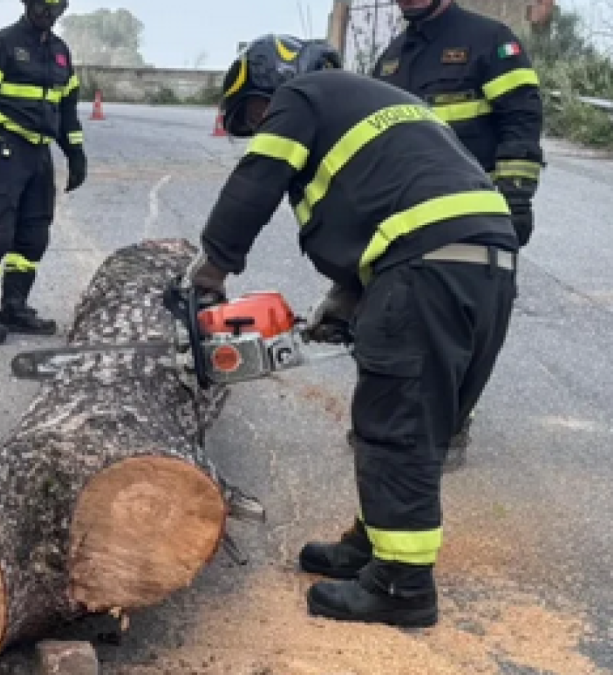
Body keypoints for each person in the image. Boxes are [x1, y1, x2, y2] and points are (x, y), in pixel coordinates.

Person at [189, 34, 519, 627]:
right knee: (423, 420)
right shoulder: (388, 106)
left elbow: (257, 178)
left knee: (395, 426)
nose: (262, 125)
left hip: (425, 267)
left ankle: (402, 586)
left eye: (257, 113)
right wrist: (345, 303)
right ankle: (378, 544)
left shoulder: (304, 95)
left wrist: (211, 270)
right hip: (488, 264)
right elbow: (398, 204)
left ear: (273, 81)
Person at [369, 0, 545, 465]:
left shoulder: (490, 42)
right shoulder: (390, 59)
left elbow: (522, 118)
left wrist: (516, 195)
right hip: (405, 217)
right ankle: (395, 418)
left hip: (474, 212)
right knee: (395, 318)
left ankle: (451, 422)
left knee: (464, 324)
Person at [0, 0, 88, 345]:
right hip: (3, 151)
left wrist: (75, 153)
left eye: (54, 9)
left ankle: (13, 308)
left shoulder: (60, 52)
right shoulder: (0, 45)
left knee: (34, 237)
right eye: (42, 6)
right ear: (28, 4)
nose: (47, 14)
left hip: (38, 155)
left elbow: (67, 108)